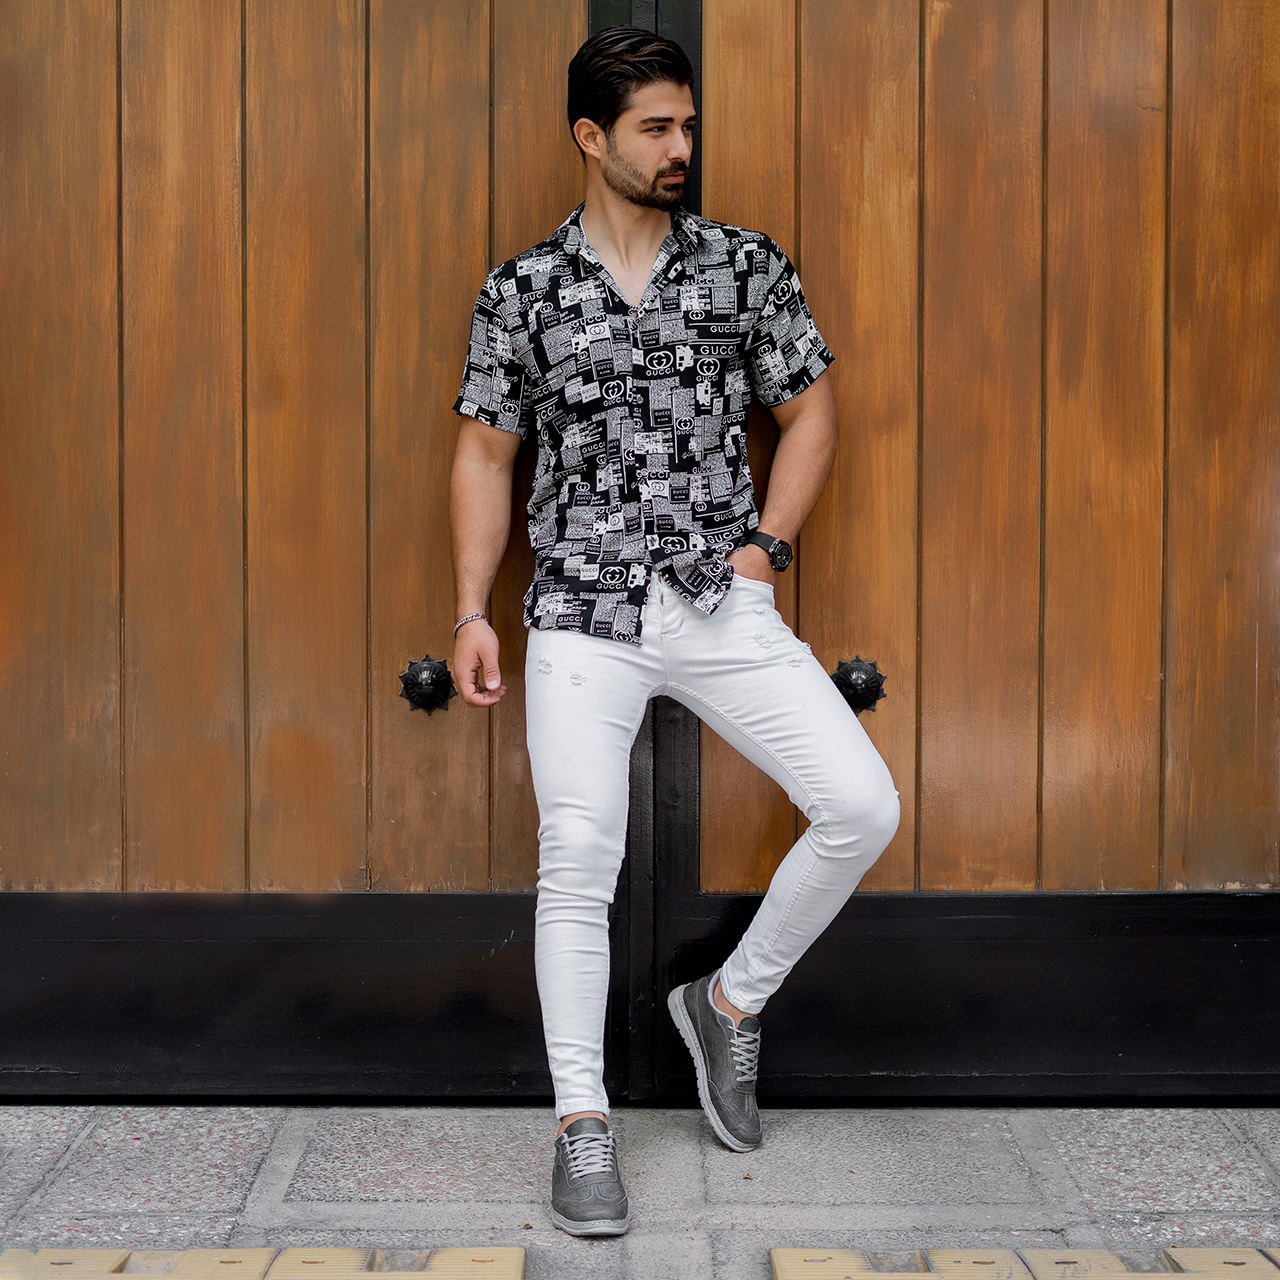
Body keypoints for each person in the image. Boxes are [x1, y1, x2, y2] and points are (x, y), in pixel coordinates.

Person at [448, 25, 900, 1238]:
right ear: (589, 137)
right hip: (578, 609)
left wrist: (766, 549)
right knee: (575, 854)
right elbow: (484, 455)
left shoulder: (744, 267)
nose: (678, 147)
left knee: (860, 803)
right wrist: (470, 608)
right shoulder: (521, 289)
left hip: (714, 596)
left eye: (685, 125)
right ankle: (581, 1123)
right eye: (654, 127)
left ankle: (728, 1002)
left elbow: (809, 415)